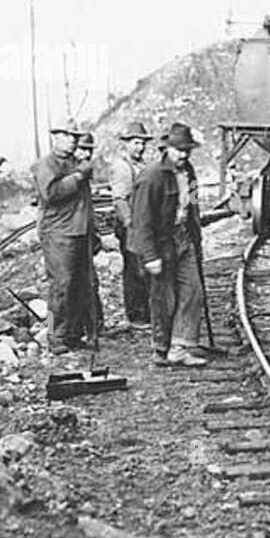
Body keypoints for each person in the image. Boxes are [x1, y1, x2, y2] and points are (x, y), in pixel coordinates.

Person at [130, 122, 207, 367]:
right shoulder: (152, 176)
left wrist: (197, 237)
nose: (183, 155)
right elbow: (141, 221)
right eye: (178, 150)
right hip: (161, 243)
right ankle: (161, 348)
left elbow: (194, 203)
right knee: (164, 297)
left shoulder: (190, 172)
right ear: (167, 148)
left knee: (193, 291)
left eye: (187, 150)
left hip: (184, 237)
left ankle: (179, 346)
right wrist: (150, 255)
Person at [31, 122, 92, 354]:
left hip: (78, 231)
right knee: (61, 286)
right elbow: (51, 193)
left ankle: (73, 334)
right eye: (67, 136)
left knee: (77, 285)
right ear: (55, 137)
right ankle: (54, 335)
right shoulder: (46, 164)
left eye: (74, 136)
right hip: (58, 233)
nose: (72, 140)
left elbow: (86, 202)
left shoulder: (73, 163)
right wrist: (77, 176)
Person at [109, 120, 155, 330]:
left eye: (142, 143)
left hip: (143, 224)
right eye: (136, 143)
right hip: (131, 225)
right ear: (126, 144)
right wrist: (129, 225)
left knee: (144, 268)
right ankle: (136, 316)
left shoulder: (141, 165)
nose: (140, 147)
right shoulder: (122, 166)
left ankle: (146, 312)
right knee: (135, 270)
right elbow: (119, 200)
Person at [73, 131, 104, 341]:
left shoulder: (84, 175)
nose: (85, 154)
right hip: (66, 238)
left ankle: (93, 328)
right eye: (82, 149)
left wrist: (94, 233)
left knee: (90, 283)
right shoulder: (69, 174)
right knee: (64, 287)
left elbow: (87, 209)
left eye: (89, 150)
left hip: (84, 235)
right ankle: (55, 331)